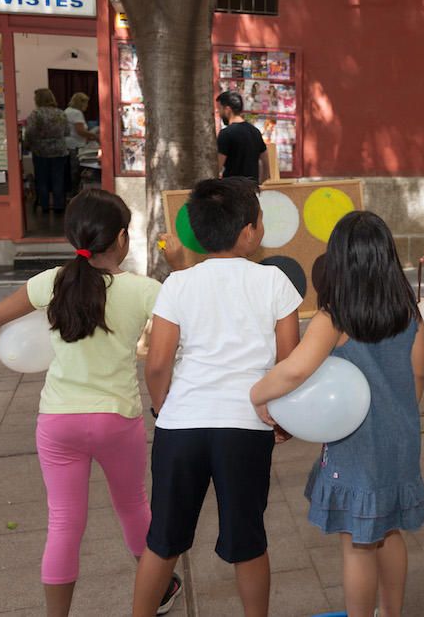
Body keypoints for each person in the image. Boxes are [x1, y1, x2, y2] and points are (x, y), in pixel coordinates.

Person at [0, 190, 185, 617]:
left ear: (74, 237)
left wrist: (12, 346)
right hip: (116, 419)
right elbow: (194, 314)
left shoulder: (50, 282)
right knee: (132, 507)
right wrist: (179, 265)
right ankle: (157, 595)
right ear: (122, 238)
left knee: (64, 524)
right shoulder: (144, 290)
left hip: (58, 422)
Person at [132, 177, 302, 617]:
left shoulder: (179, 284)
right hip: (245, 428)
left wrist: (161, 406)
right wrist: (283, 420)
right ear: (249, 231)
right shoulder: (275, 282)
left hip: (180, 428)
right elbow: (289, 363)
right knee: (248, 541)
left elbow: (156, 364)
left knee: (163, 540)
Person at [251, 211, 424, 617]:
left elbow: (295, 369)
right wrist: (398, 416)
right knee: (390, 530)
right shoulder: (409, 313)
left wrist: (258, 394)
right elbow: (417, 376)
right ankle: (392, 613)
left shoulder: (334, 318)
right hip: (400, 439)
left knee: (358, 542)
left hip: (357, 447)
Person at [25, 88, 69, 212]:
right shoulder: (61, 113)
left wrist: (28, 144)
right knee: (58, 179)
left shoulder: (36, 114)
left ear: (38, 99)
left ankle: (44, 205)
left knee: (42, 179)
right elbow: (67, 131)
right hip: (59, 150)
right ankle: (59, 206)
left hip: (41, 151)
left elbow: (30, 132)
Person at [216, 91, 268, 183]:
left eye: (219, 109)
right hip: (251, 189)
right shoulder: (255, 132)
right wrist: (261, 183)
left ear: (227, 110)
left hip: (231, 189)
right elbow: (266, 162)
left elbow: (218, 166)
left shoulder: (226, 133)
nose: (218, 113)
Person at [64, 92, 99, 196]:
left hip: (68, 145)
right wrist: (95, 136)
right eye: (86, 103)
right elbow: (80, 131)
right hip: (76, 145)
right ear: (81, 103)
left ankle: (71, 193)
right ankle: (75, 194)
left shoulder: (67, 111)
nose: (87, 106)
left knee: (70, 171)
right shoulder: (76, 113)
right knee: (75, 172)